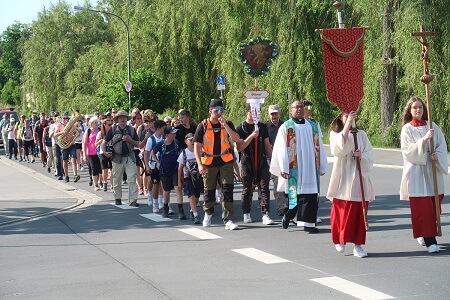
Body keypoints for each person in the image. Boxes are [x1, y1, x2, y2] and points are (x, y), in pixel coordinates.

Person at [270, 100, 328, 233]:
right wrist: (283, 167)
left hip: (310, 166)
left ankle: (309, 224)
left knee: (310, 195)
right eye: (296, 107)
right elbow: (280, 148)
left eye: (301, 107)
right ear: (291, 110)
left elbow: (320, 146)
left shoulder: (313, 126)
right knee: (294, 195)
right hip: (294, 166)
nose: (300, 109)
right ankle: (289, 214)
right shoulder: (286, 126)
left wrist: (322, 165)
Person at [400, 96, 448, 254]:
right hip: (417, 173)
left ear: (424, 109)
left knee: (434, 207)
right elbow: (408, 151)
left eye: (420, 107)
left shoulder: (432, 126)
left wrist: (437, 155)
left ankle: (423, 231)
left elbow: (442, 145)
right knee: (423, 208)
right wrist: (424, 140)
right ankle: (430, 241)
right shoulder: (407, 129)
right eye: (414, 107)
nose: (418, 110)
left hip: (432, 171)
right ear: (410, 110)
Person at [194, 99, 249, 230]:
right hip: (208, 161)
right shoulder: (203, 125)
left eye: (221, 111)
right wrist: (199, 165)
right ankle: (208, 213)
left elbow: (237, 139)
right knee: (209, 190)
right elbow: (197, 146)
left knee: (227, 189)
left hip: (225, 160)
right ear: (210, 111)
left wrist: (226, 126)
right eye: (216, 111)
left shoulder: (227, 123)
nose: (219, 113)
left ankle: (228, 219)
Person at [327, 111, 375, 258]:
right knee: (342, 210)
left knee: (359, 213)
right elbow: (338, 149)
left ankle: (358, 244)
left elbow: (370, 154)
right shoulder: (335, 134)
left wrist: (363, 156)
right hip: (344, 177)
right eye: (346, 116)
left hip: (360, 176)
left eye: (352, 115)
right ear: (341, 117)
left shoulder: (361, 134)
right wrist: (347, 126)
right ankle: (340, 239)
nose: (350, 118)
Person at [236, 103, 274, 225]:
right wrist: (252, 136)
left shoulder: (262, 127)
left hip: (262, 161)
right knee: (247, 189)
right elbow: (240, 147)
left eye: (258, 112)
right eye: (253, 112)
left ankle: (265, 213)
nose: (255, 114)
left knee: (264, 187)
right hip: (247, 161)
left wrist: (273, 160)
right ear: (246, 112)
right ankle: (246, 212)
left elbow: (267, 145)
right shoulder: (241, 128)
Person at [102, 110, 140, 206]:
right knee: (117, 179)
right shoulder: (113, 129)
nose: (123, 119)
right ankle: (117, 198)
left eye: (124, 117)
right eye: (121, 117)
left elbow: (138, 144)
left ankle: (133, 200)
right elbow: (104, 142)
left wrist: (129, 139)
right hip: (116, 158)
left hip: (129, 157)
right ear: (117, 119)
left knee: (132, 178)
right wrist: (105, 152)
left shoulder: (131, 130)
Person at [151, 126, 184, 218]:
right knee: (166, 190)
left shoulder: (176, 143)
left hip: (175, 169)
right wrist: (157, 162)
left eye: (175, 133)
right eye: (172, 133)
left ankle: (181, 211)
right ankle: (166, 209)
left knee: (178, 189)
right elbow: (152, 152)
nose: (174, 134)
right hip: (165, 170)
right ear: (167, 135)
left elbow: (181, 153)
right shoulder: (161, 144)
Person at [303, 100, 325, 223]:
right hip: (301, 161)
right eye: (307, 107)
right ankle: (299, 214)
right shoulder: (296, 123)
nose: (309, 109)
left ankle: (313, 214)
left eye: (310, 106)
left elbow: (319, 144)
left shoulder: (315, 124)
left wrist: (321, 163)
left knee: (315, 188)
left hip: (313, 159)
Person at [178, 133, 203, 224]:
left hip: (198, 176)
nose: (192, 142)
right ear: (186, 142)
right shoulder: (183, 153)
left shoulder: (200, 151)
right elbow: (179, 168)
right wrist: (179, 181)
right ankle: (196, 215)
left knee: (196, 196)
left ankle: (193, 210)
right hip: (188, 177)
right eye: (190, 140)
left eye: (193, 140)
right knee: (191, 195)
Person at [266, 104, 285, 216]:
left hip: (285, 157)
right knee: (277, 181)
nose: (274, 116)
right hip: (271, 158)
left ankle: (289, 205)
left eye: (276, 113)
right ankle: (281, 207)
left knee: (287, 181)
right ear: (269, 115)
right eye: (272, 114)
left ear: (279, 113)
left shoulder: (285, 125)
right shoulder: (265, 127)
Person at [144, 120, 166, 212]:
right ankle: (153, 201)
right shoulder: (151, 139)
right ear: (158, 129)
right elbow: (146, 153)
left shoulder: (165, 138)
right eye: (163, 128)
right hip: (153, 164)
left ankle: (161, 202)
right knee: (154, 184)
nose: (165, 130)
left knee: (162, 184)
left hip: (163, 164)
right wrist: (147, 166)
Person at [83, 116, 102, 191]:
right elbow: (84, 143)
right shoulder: (88, 131)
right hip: (91, 153)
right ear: (91, 124)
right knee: (94, 168)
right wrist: (84, 154)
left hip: (100, 152)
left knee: (100, 168)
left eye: (97, 122)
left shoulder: (100, 130)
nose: (96, 124)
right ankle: (96, 184)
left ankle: (101, 182)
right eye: (95, 122)